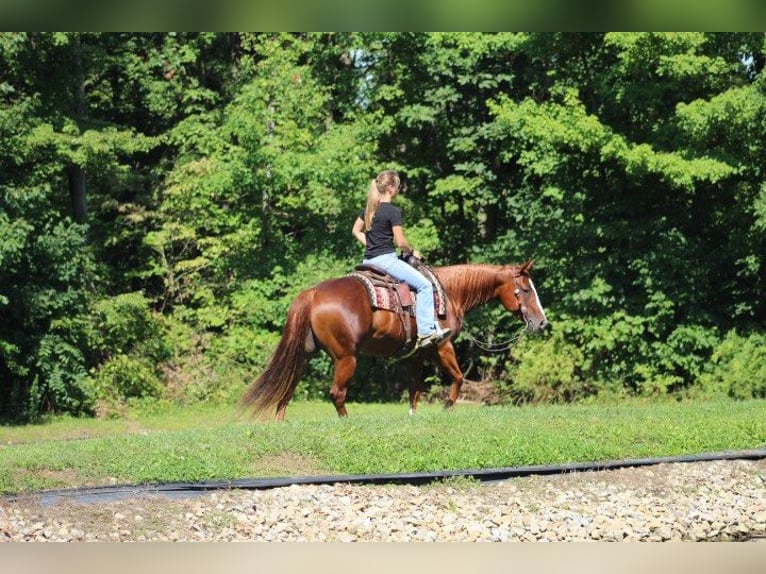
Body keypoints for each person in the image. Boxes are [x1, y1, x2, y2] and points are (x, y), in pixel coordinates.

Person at [352, 170, 451, 355]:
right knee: (424, 285)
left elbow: (355, 231)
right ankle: (426, 333)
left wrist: (371, 244)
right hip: (387, 260)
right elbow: (401, 243)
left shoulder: (368, 210)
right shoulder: (393, 211)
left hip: (368, 260)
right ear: (390, 188)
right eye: (398, 186)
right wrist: (412, 251)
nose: (398, 189)